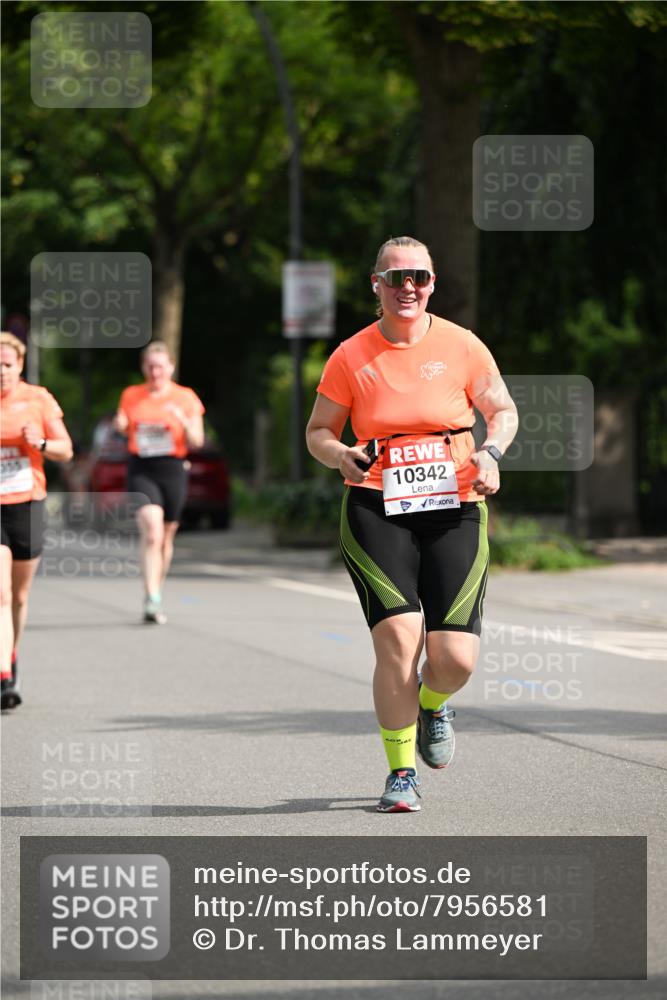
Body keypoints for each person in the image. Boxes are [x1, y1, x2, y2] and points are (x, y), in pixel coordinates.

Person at [306, 237, 519, 812]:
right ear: (375, 284)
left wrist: (492, 453)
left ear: (432, 283)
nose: (408, 288)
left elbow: (502, 411)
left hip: (455, 502)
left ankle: (433, 702)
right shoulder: (350, 354)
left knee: (454, 658)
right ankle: (401, 773)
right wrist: (338, 455)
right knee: (399, 638)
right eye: (395, 278)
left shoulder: (462, 345)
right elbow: (319, 431)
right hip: (376, 503)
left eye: (419, 278)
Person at [1, 332, 73, 710]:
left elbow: (66, 449)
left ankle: (10, 654)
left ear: (19, 366)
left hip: (26, 502)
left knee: (20, 595)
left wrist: (40, 442)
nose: (1, 372)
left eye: (7, 365)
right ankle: (3, 676)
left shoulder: (38, 399)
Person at [113, 341, 204, 624]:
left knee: (166, 535)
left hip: (173, 467)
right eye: (150, 367)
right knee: (152, 528)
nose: (155, 372)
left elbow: (197, 441)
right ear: (144, 368)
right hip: (142, 468)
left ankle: (157, 590)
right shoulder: (132, 395)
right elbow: (122, 422)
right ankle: (151, 595)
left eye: (160, 366)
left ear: (171, 367)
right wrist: (119, 423)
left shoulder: (185, 397)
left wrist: (183, 421)